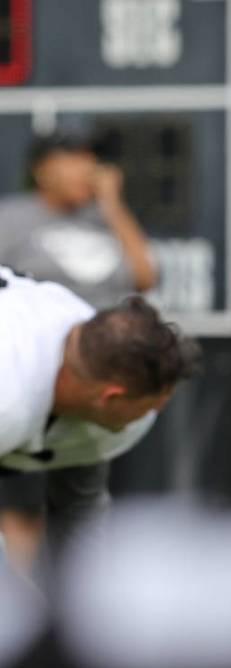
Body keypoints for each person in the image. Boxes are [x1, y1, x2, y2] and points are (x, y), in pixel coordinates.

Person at [0, 130, 158, 573]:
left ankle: (74, 617)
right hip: (30, 374)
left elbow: (145, 276)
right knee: (21, 504)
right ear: (42, 168)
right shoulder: (13, 216)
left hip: (99, 380)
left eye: (90, 161)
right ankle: (20, 614)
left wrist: (111, 204)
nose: (85, 171)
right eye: (72, 159)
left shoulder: (102, 218)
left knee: (84, 502)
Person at [0, 265, 199, 579]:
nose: (156, 411)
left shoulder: (92, 368)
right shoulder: (9, 390)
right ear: (111, 397)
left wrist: (83, 612)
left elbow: (79, 511)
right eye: (154, 402)